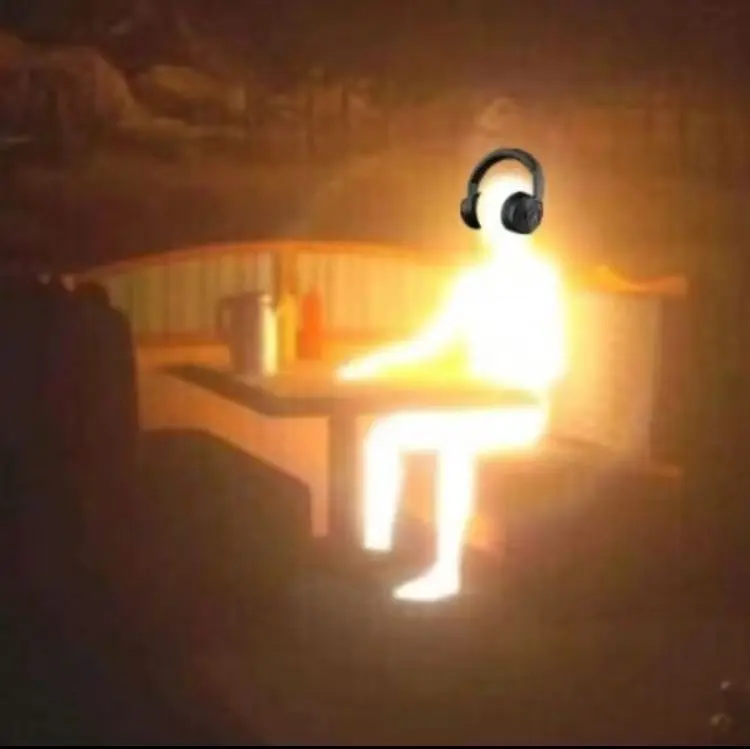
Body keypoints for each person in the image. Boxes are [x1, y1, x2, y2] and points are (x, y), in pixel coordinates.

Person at [338, 173, 567, 601]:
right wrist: (371, 364)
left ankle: (447, 572)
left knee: (453, 443)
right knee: (384, 433)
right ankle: (375, 548)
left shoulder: (543, 280)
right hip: (474, 406)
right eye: (488, 212)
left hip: (520, 412)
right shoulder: (472, 282)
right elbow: (429, 341)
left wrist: (516, 374)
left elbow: (555, 362)